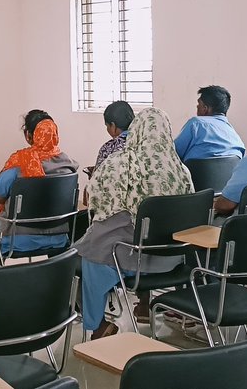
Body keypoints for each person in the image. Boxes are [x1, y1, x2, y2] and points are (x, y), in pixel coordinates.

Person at [73, 108, 194, 339]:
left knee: (91, 251)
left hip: (134, 258)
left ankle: (97, 325)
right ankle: (143, 301)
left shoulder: (121, 163)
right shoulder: (182, 170)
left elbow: (96, 202)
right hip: (172, 259)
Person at [0, 109, 79, 255]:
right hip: (59, 238)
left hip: (18, 240)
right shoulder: (69, 166)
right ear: (54, 134)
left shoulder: (19, 163)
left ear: (29, 136)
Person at [173, 85, 246, 161]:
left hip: (196, 172)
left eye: (199, 104)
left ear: (205, 109)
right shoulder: (235, 137)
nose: (197, 106)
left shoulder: (196, 124)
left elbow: (172, 153)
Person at [93, 101, 134, 173]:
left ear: (113, 126)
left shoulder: (108, 148)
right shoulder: (143, 143)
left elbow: (96, 177)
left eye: (107, 126)